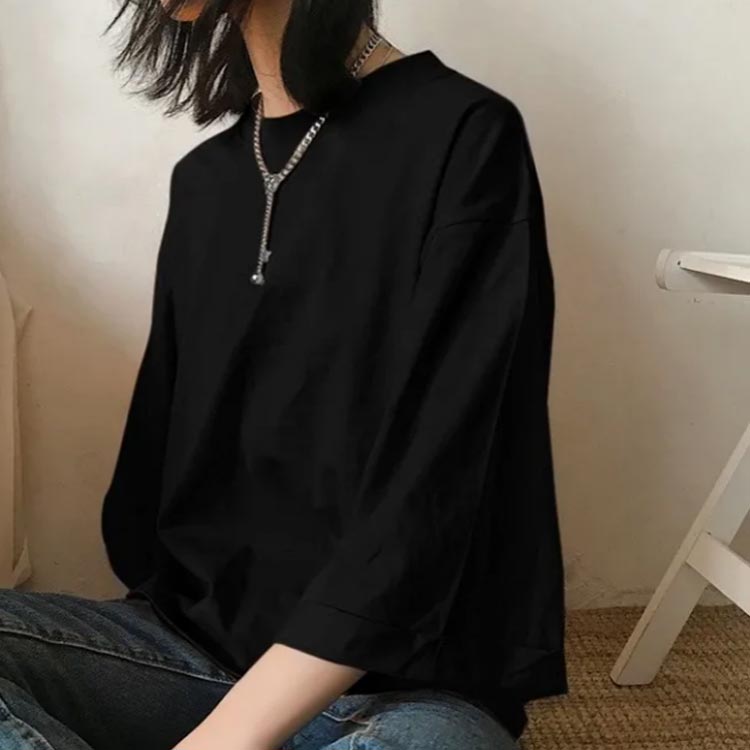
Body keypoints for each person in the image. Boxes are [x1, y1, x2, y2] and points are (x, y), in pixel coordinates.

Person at [0, 1, 568, 748]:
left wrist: (226, 738)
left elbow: (443, 482)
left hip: (399, 687)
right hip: (187, 654)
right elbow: (152, 496)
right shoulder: (204, 182)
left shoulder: (464, 134)